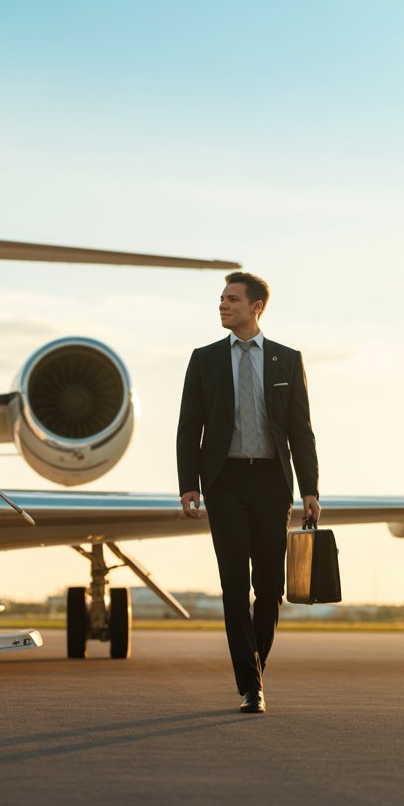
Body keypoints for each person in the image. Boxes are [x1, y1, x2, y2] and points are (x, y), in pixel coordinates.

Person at [176, 271, 320, 714]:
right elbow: (189, 427)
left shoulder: (286, 360)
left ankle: (253, 664)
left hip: (273, 480)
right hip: (226, 481)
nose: (223, 305)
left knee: (270, 586)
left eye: (232, 299)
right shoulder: (204, 360)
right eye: (221, 299)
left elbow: (301, 429)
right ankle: (250, 686)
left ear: (256, 306)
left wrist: (311, 488)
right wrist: (188, 485)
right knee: (234, 584)